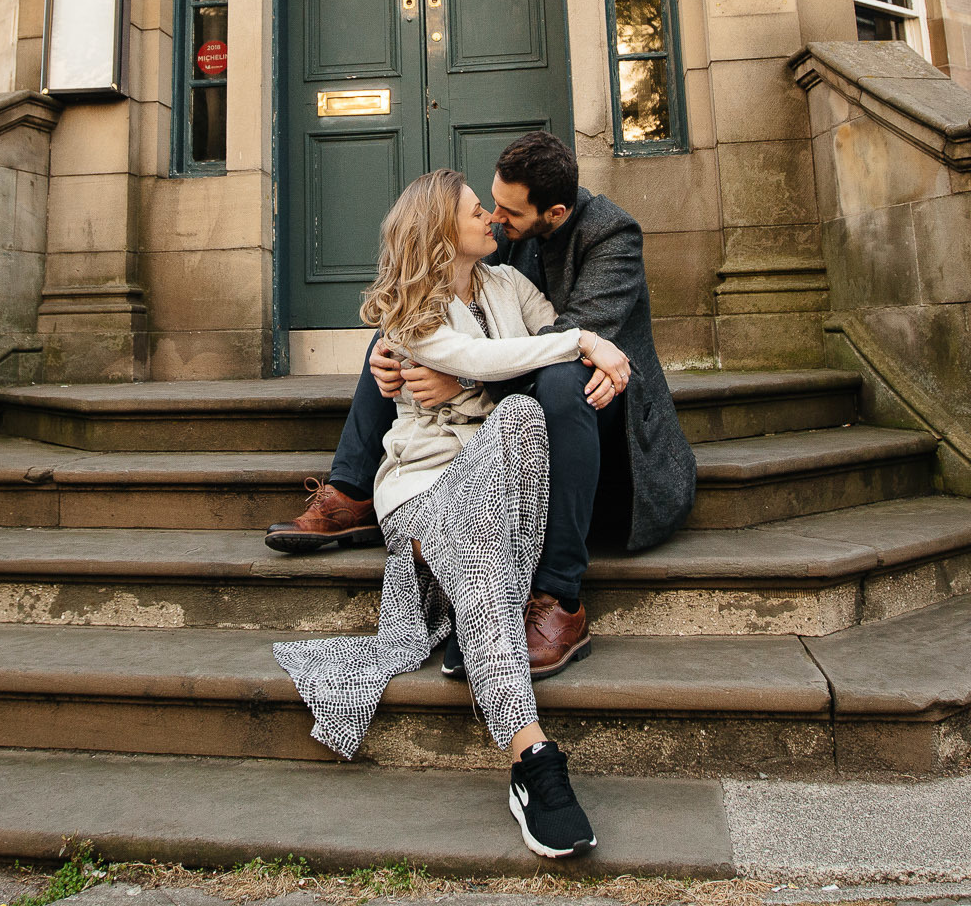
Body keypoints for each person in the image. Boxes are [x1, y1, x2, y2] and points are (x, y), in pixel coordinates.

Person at [272, 168, 632, 859]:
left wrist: (577, 351)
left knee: (527, 416)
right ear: (443, 232)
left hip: (489, 488)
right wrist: (581, 342)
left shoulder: (509, 287)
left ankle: (481, 633)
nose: (491, 220)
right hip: (421, 491)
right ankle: (535, 760)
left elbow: (533, 362)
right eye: (477, 211)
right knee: (481, 546)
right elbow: (475, 353)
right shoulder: (413, 307)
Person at [267, 131, 696, 678]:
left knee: (563, 379)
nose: (494, 218)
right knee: (389, 343)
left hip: (602, 408)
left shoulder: (610, 236)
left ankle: (561, 597)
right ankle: (351, 492)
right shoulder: (503, 239)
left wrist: (465, 382)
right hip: (512, 400)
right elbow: (445, 320)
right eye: (486, 206)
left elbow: (568, 339)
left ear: (554, 212)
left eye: (506, 211)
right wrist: (399, 356)